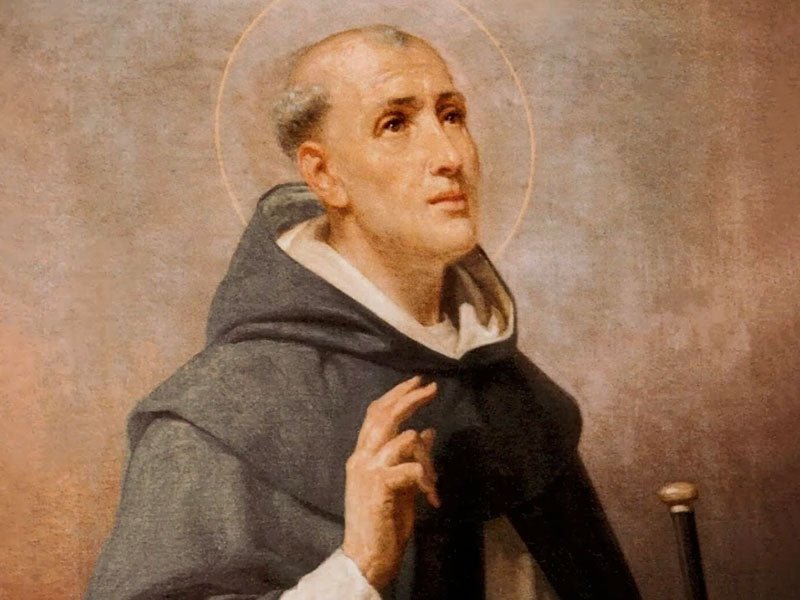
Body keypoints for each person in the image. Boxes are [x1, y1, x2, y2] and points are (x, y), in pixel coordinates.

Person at [85, 25, 641, 600]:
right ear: (325, 175)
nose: (450, 156)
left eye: (452, 116)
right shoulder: (217, 417)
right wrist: (358, 569)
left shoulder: (514, 394)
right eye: (395, 124)